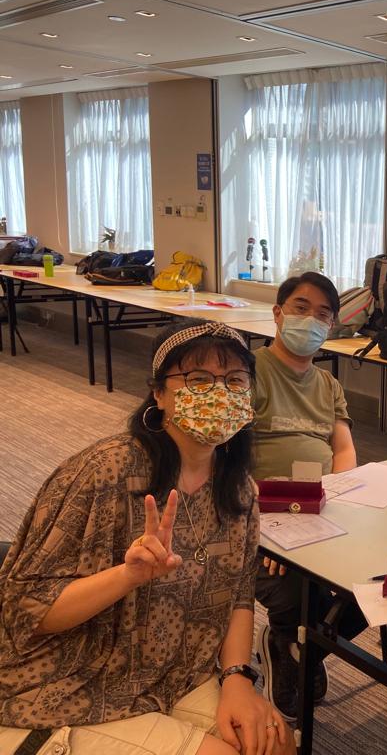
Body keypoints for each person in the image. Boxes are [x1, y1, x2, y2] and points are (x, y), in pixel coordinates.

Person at [0, 320, 295, 755]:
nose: (220, 394)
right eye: (199, 380)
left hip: (176, 672)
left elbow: (238, 596)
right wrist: (127, 576)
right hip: (72, 680)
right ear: (159, 394)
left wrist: (237, 677)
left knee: (276, 743)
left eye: (235, 380)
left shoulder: (240, 491)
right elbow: (25, 609)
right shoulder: (103, 472)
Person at [251, 272, 366, 722]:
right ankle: (291, 640)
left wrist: (339, 498)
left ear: (331, 326)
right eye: (301, 308)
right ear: (278, 314)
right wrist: (276, 526)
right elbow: (225, 462)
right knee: (294, 587)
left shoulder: (328, 385)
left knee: (380, 578)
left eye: (323, 314)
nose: (311, 320)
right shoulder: (249, 372)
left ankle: (300, 648)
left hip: (322, 508)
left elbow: (344, 450)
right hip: (261, 516)